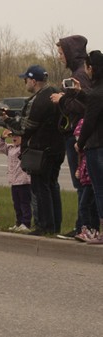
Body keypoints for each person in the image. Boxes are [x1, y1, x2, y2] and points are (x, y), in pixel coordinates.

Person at [3, 65, 65, 236]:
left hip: (41, 150)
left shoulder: (37, 100)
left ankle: (45, 226)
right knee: (52, 185)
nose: (25, 83)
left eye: (25, 80)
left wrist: (7, 121)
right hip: (58, 147)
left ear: (33, 81)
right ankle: (54, 226)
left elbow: (25, 128)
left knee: (40, 187)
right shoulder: (55, 93)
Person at [50, 35, 92, 238]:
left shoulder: (81, 75)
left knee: (82, 182)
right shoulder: (81, 71)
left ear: (70, 53)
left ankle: (83, 227)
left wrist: (62, 100)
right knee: (83, 183)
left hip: (78, 135)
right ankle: (83, 226)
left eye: (61, 53)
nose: (59, 57)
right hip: (77, 133)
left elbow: (85, 105)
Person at [74, 50, 103, 244]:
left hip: (96, 146)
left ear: (91, 68)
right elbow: (95, 103)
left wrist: (80, 143)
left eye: (86, 67)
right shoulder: (96, 93)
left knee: (99, 190)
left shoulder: (96, 93)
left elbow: (90, 121)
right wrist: (81, 94)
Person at [0, 129, 32, 232]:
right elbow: (1, 146)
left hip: (24, 181)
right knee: (16, 204)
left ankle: (26, 223)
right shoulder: (11, 148)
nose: (14, 138)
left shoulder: (24, 149)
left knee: (24, 203)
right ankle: (19, 222)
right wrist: (2, 137)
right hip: (14, 181)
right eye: (13, 136)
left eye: (17, 136)